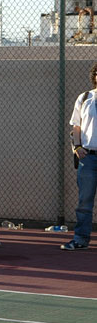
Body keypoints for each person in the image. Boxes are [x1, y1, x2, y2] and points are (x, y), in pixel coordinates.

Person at [66, 62, 97, 251]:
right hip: (88, 158)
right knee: (85, 201)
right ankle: (81, 239)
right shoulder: (85, 98)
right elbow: (76, 127)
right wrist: (77, 147)